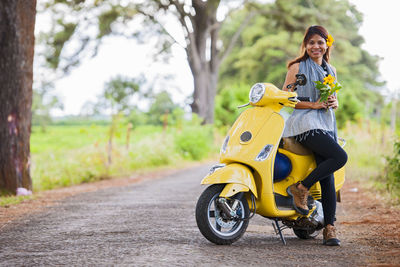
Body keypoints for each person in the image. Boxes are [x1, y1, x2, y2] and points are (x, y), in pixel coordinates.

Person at [282, 25, 348, 246]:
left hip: (324, 124)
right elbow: (287, 99)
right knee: (340, 157)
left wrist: (333, 102)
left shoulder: (331, 71)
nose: (316, 46)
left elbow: (334, 100)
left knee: (327, 175)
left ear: (326, 44)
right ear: (305, 45)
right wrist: (314, 104)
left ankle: (329, 228)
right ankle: (301, 187)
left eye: (320, 42)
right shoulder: (297, 67)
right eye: (311, 42)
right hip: (303, 123)